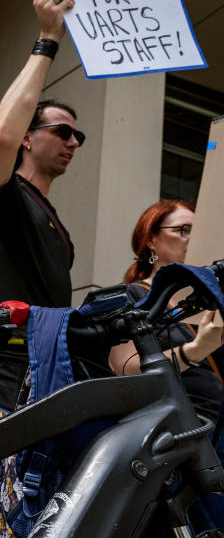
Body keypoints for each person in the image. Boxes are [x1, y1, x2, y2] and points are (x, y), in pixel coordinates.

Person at [0, 0, 81, 411]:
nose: (73, 142)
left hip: (44, 371)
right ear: (28, 139)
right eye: (62, 131)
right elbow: (3, 133)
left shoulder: (54, 221)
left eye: (77, 135)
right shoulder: (4, 191)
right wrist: (48, 40)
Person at [110, 200, 224, 533]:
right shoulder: (132, 296)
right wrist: (195, 350)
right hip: (183, 443)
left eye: (196, 231)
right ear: (151, 241)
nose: (192, 238)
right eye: (183, 230)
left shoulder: (205, 302)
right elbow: (124, 367)